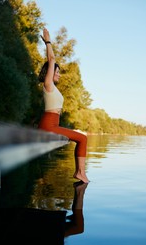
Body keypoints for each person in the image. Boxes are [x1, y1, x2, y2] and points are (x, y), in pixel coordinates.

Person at [38, 28, 89, 183]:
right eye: (56, 72)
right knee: (82, 138)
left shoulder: (54, 88)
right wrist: (48, 41)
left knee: (81, 137)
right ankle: (80, 173)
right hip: (48, 125)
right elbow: (52, 59)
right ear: (50, 73)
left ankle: (80, 172)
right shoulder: (48, 84)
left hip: (53, 124)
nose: (59, 74)